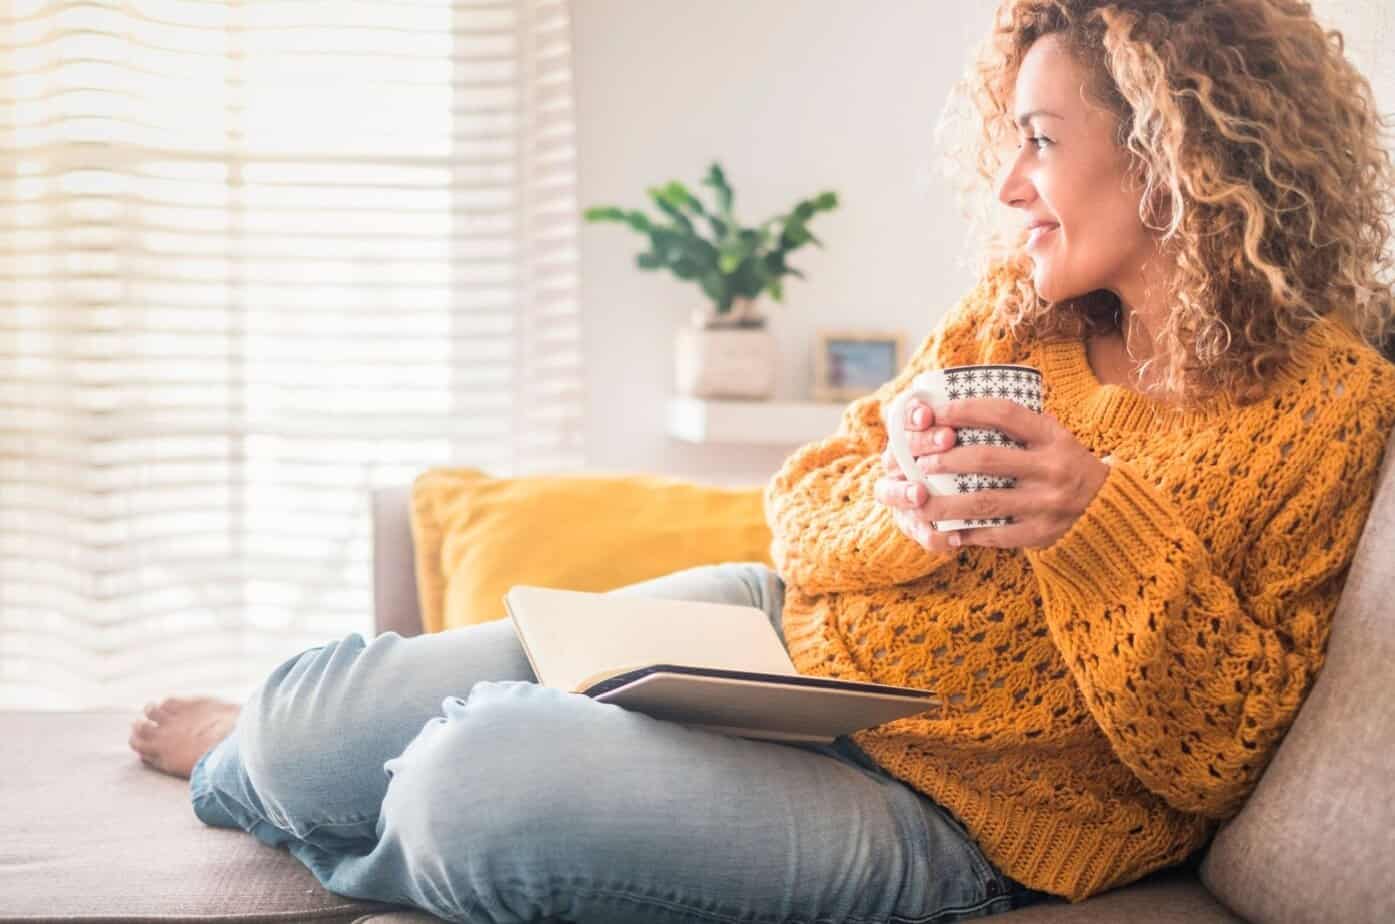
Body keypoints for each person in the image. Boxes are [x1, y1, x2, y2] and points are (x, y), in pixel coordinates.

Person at [129, 1, 1395, 920]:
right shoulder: (1021, 317)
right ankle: (272, 767)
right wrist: (904, 512)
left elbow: (1222, 757)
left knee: (473, 790)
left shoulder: (1330, 406)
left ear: (1180, 158)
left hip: (957, 811)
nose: (1009, 182)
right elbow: (803, 510)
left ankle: (381, 801)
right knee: (304, 725)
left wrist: (1093, 525)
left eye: (1044, 141)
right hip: (775, 642)